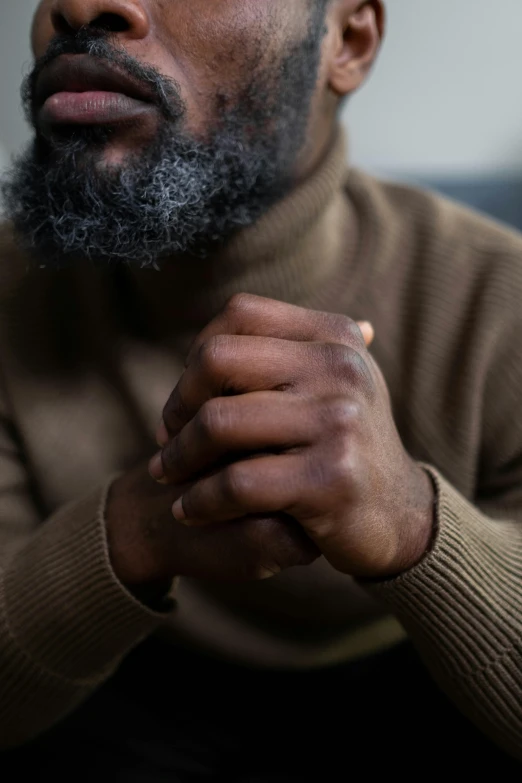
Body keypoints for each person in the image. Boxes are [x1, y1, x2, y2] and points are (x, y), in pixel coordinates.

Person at [0, 0, 521, 777]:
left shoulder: (499, 298)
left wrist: (412, 524)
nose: (79, 5)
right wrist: (138, 530)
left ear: (347, 41)